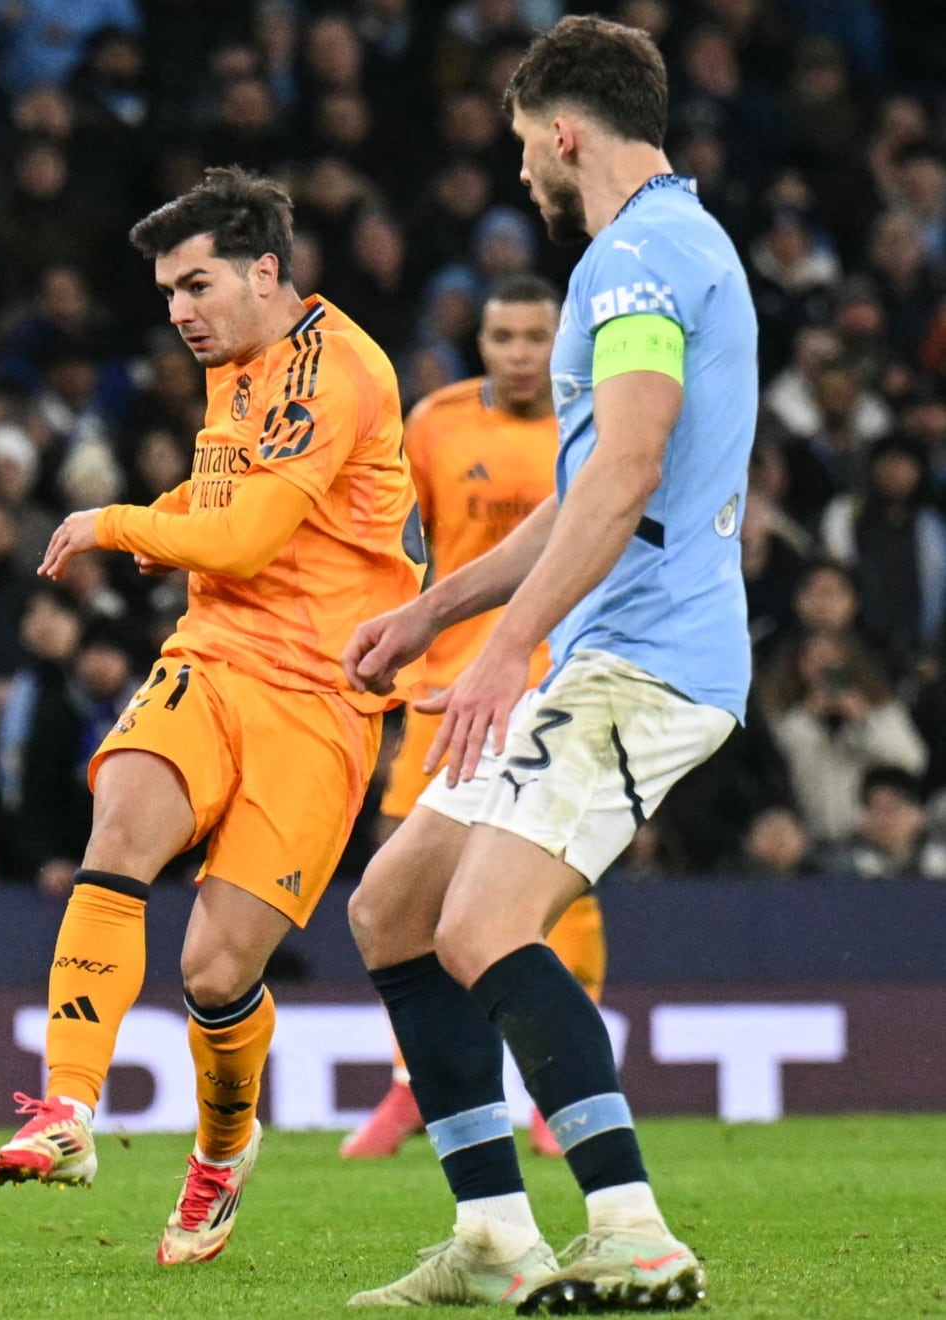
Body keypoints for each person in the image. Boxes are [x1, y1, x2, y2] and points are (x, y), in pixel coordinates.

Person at [341, 17, 754, 1309]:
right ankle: (493, 1236)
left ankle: (632, 1228)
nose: (523, 170)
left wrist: (502, 653)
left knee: (481, 924)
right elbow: (584, 489)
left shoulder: (631, 263)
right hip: (598, 648)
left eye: (525, 143)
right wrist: (439, 609)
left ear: (563, 130)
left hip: (644, 663)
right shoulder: (673, 246)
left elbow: (628, 472)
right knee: (393, 908)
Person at [0, 168, 423, 1267]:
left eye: (195, 285)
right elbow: (217, 508)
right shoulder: (235, 364)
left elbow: (240, 541)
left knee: (216, 974)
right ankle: (66, 1111)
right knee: (118, 836)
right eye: (166, 293)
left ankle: (221, 1154)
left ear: (264, 272)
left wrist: (110, 521)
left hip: (320, 697)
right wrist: (149, 522)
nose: (177, 312)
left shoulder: (330, 371)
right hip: (211, 656)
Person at [341, 275, 610, 1163]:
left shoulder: (598, 423)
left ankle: (554, 1088)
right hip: (444, 686)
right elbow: (401, 546)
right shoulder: (437, 422)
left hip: (550, 675)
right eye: (505, 336)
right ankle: (413, 1087)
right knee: (401, 888)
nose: (522, 353)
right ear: (482, 342)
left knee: (553, 888)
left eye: (538, 336)